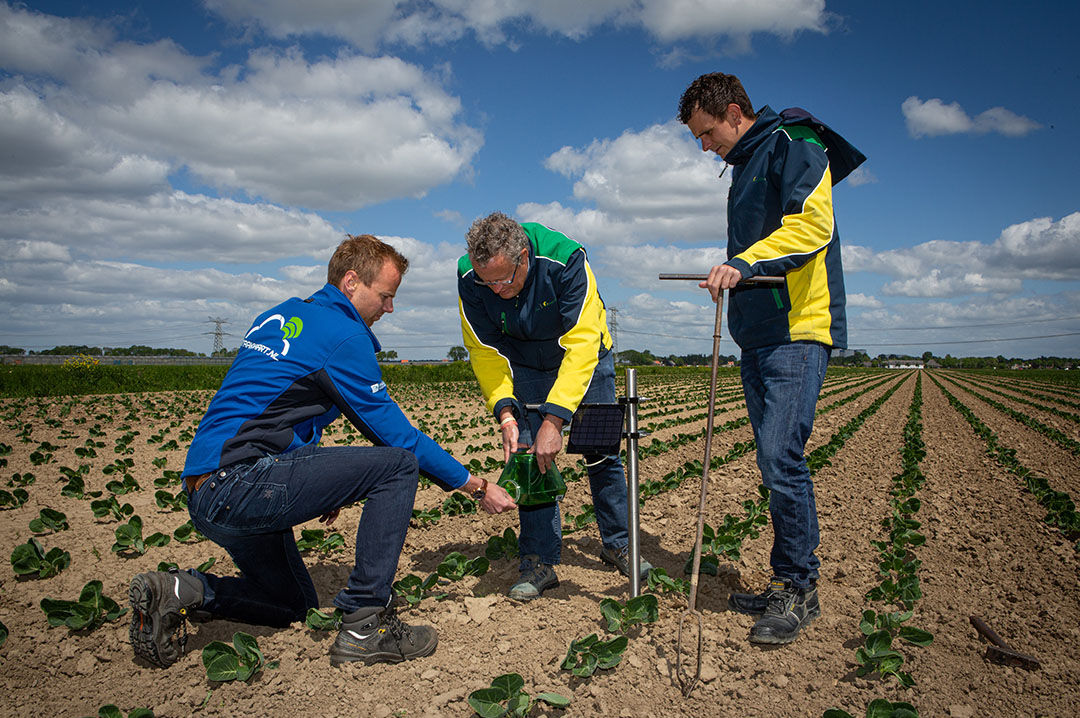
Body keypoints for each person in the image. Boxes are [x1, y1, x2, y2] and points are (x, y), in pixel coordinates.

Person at [128, 234, 516, 669]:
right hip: (241, 483)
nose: (389, 309)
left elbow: (274, 410)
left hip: (206, 490)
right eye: (386, 296)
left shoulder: (279, 317)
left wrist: (317, 483)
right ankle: (365, 623)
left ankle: (183, 592)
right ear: (351, 282)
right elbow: (398, 438)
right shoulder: (342, 334)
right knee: (398, 466)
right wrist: (474, 484)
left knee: (291, 604)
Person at [677, 72, 863, 644]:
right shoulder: (743, 169)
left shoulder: (795, 142)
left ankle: (800, 590)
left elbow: (811, 225)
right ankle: (785, 578)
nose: (705, 147)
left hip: (797, 330)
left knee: (782, 457)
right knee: (770, 460)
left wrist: (746, 265)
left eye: (707, 133)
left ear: (735, 112)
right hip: (758, 335)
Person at [457, 212, 651, 601]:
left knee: (601, 453)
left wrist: (555, 419)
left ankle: (619, 544)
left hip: (586, 359)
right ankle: (538, 559)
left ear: (524, 256)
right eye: (487, 281)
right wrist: (506, 412)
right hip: (527, 363)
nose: (494, 290)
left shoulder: (566, 260)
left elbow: (582, 343)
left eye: (503, 279)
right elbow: (483, 350)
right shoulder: (470, 277)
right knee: (529, 461)